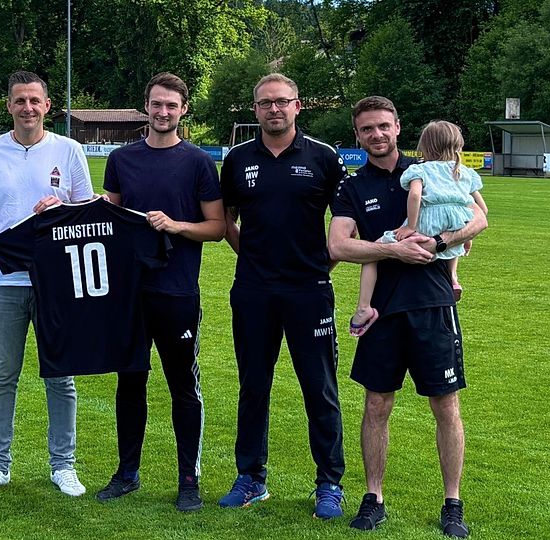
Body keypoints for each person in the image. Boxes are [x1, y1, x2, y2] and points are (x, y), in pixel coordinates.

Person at [328, 96, 488, 538]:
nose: (377, 135)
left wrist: (437, 242)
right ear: (357, 136)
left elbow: (480, 218)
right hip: (381, 309)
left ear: (398, 127)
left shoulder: (432, 167)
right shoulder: (353, 186)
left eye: (384, 126)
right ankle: (373, 496)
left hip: (434, 304)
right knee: (377, 403)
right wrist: (391, 249)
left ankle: (452, 502)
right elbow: (339, 246)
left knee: (445, 404)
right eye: (367, 130)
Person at [218, 73, 348, 520]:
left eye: (282, 102)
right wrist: (252, 257)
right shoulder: (237, 159)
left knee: (320, 388)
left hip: (309, 292)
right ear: (254, 110)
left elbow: (346, 225)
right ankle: (251, 477)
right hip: (253, 291)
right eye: (265, 103)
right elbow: (225, 222)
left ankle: (329, 482)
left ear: (297, 106)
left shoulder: (324, 158)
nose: (274, 109)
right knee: (253, 386)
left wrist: (318, 266)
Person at [0, 70, 93, 498]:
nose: (28, 108)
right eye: (20, 101)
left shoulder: (69, 150)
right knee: (2, 375)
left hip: (57, 282)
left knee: (62, 376)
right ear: (9, 106)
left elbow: (87, 212)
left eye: (35, 100)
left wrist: (62, 206)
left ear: (47, 105)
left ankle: (64, 465)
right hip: (4, 279)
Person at [97, 72, 225, 512]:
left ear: (183, 109)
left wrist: (176, 225)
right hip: (129, 293)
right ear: (145, 107)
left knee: (182, 386)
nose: (163, 112)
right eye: (156, 104)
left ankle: (188, 479)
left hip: (176, 293)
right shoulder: (122, 159)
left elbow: (217, 227)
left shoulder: (198, 163)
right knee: (129, 383)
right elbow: (107, 217)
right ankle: (127, 473)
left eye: (172, 105)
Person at [349, 119, 488, 336]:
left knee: (371, 252)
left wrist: (410, 227)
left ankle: (363, 308)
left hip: (426, 224)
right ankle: (452, 278)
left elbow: (414, 195)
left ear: (424, 147)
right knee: (454, 240)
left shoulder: (420, 170)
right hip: (453, 223)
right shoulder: (463, 172)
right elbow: (483, 210)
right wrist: (465, 230)